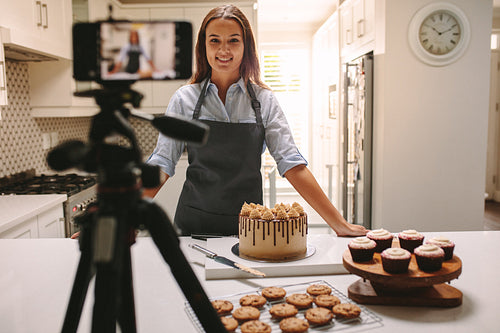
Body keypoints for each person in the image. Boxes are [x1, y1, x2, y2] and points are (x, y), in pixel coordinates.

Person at [144, 4, 367, 237]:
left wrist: (339, 224)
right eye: (214, 40)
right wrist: (127, 219)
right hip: (192, 227)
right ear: (203, 46)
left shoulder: (264, 101)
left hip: (250, 228)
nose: (224, 49)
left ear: (246, 46)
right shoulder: (184, 99)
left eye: (233, 40)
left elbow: (292, 164)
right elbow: (162, 162)